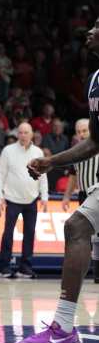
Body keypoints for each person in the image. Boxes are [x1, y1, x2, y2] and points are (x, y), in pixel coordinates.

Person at [20, 18, 99, 343]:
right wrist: (52, 161)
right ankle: (63, 328)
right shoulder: (95, 81)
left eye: (98, 26)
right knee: (76, 227)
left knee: (77, 227)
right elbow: (96, 140)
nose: (90, 32)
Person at [0, 122, 48, 279]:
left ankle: (25, 268)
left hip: (31, 199)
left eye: (26, 133)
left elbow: (43, 176)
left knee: (30, 234)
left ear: (32, 134)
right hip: (12, 199)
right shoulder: (8, 151)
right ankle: (3, 267)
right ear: (17, 134)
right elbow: (0, 174)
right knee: (8, 233)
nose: (23, 135)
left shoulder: (38, 152)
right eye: (21, 132)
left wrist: (44, 196)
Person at [61, 118, 99, 284]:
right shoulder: (75, 151)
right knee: (86, 235)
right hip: (83, 195)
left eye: (85, 130)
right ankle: (91, 273)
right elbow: (73, 175)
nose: (82, 134)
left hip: (97, 193)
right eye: (79, 131)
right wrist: (67, 196)